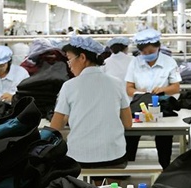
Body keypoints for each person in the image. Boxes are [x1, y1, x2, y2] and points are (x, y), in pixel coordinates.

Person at [49, 36, 132, 168]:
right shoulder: (117, 83)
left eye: (69, 60)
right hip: (113, 155)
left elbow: (55, 127)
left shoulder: (69, 86)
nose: (69, 66)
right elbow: (128, 123)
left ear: (82, 57)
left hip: (79, 157)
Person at [125, 28, 182, 168]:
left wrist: (163, 89)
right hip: (140, 107)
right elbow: (129, 88)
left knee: (164, 137)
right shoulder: (134, 63)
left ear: (158, 48)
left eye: (150, 52)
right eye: (143, 52)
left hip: (162, 107)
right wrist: (139, 93)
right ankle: (127, 167)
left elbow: (176, 87)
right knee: (131, 136)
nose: (147, 55)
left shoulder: (169, 62)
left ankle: (165, 168)